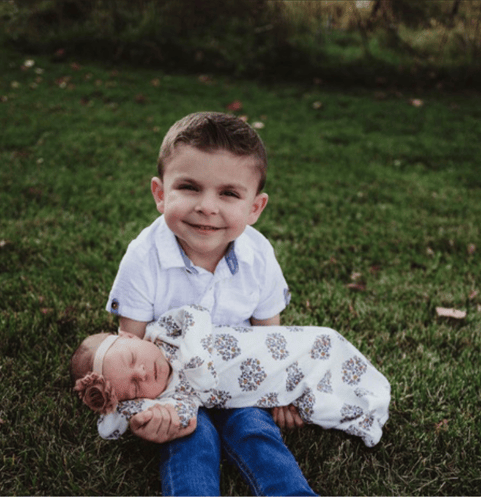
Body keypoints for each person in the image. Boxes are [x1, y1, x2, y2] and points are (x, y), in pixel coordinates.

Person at [103, 112, 315, 495]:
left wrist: (285, 391)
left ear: (255, 208)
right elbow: (128, 344)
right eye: (189, 187)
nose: (207, 206)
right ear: (160, 194)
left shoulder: (259, 256)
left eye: (229, 194)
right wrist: (146, 412)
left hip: (240, 381)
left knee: (256, 432)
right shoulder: (143, 256)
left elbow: (273, 341)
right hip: (171, 385)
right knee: (191, 441)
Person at [72, 305, 391, 449]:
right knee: (316, 404)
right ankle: (362, 416)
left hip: (281, 346)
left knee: (326, 345)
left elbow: (195, 314)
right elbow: (178, 417)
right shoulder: (175, 396)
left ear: (130, 338)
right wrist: (130, 413)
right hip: (285, 383)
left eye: (132, 360)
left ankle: (362, 393)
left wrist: (195, 355)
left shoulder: (165, 333)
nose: (142, 372)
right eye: (133, 386)